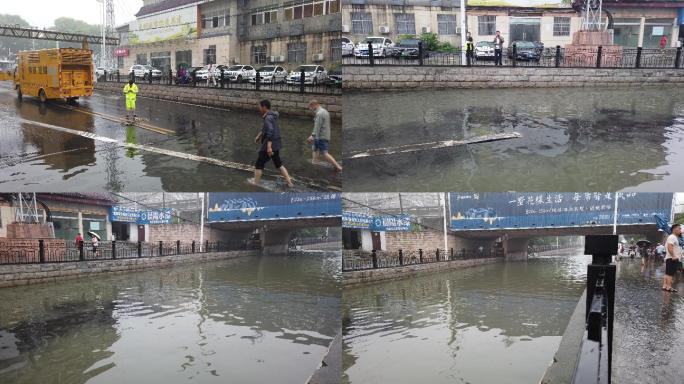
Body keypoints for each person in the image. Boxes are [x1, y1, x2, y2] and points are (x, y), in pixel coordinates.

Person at [253, 99, 294, 188]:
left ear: (264, 107)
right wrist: (258, 136)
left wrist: (268, 147)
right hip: (276, 144)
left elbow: (270, 131)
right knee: (279, 164)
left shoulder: (268, 117)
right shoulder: (273, 116)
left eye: (260, 106)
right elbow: (266, 128)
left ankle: (255, 184)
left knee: (258, 164)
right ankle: (289, 182)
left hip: (269, 146)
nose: (259, 108)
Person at [307, 100, 342, 172]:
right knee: (315, 149)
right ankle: (314, 162)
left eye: (311, 107)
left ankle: (338, 167)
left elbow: (317, 126)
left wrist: (312, 136)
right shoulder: (325, 111)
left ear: (314, 105)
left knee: (324, 153)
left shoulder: (319, 114)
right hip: (322, 135)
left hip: (321, 136)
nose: (310, 109)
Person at [663, 224, 681, 292]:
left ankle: (665, 286)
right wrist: (673, 256)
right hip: (672, 258)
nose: (680, 230)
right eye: (679, 228)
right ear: (674, 229)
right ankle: (669, 287)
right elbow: (669, 247)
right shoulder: (672, 237)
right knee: (670, 274)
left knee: (667, 273)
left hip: (670, 258)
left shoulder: (672, 237)